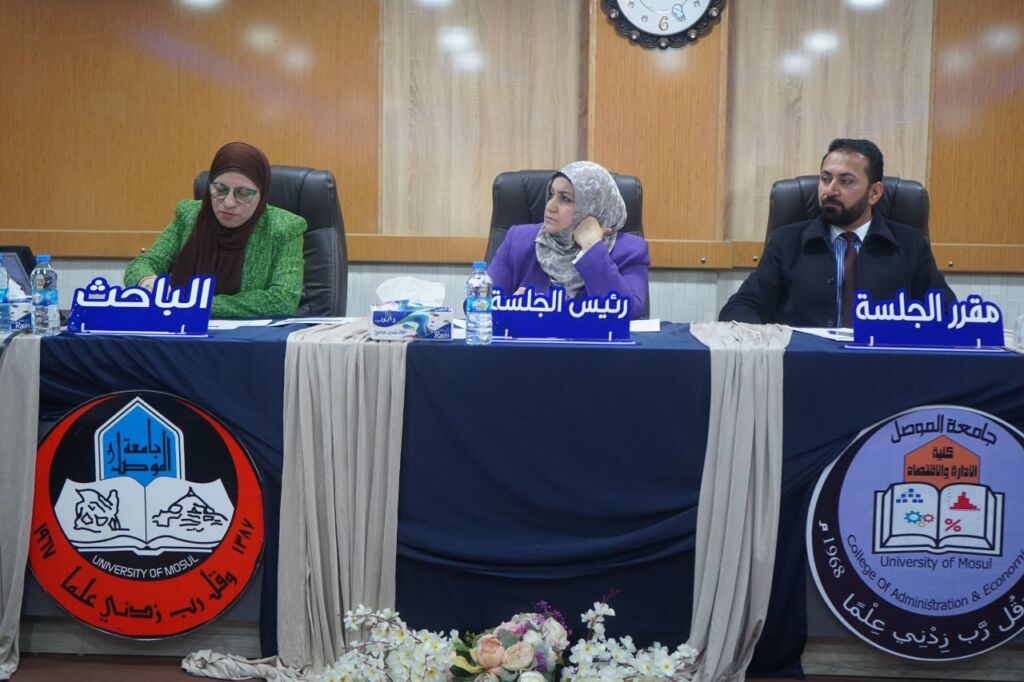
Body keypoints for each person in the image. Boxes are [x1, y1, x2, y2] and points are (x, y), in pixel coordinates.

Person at [719, 138, 955, 327]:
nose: (830, 190)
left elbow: (946, 313)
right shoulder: (786, 242)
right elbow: (740, 308)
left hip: (883, 366)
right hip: (806, 365)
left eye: (846, 181)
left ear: (874, 193)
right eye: (825, 179)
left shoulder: (910, 244)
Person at [124, 142, 305, 318]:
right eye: (220, 189)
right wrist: (148, 283)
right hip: (179, 328)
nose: (229, 203)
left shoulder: (284, 228)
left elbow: (283, 300)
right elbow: (142, 265)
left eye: (243, 194)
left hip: (246, 336)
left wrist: (193, 304)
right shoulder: (190, 216)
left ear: (262, 193)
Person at [487, 161, 650, 320]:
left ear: (592, 207)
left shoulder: (630, 251)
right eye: (551, 194)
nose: (550, 206)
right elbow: (479, 303)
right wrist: (509, 306)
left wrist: (592, 248)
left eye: (565, 199)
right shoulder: (519, 240)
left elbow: (630, 313)